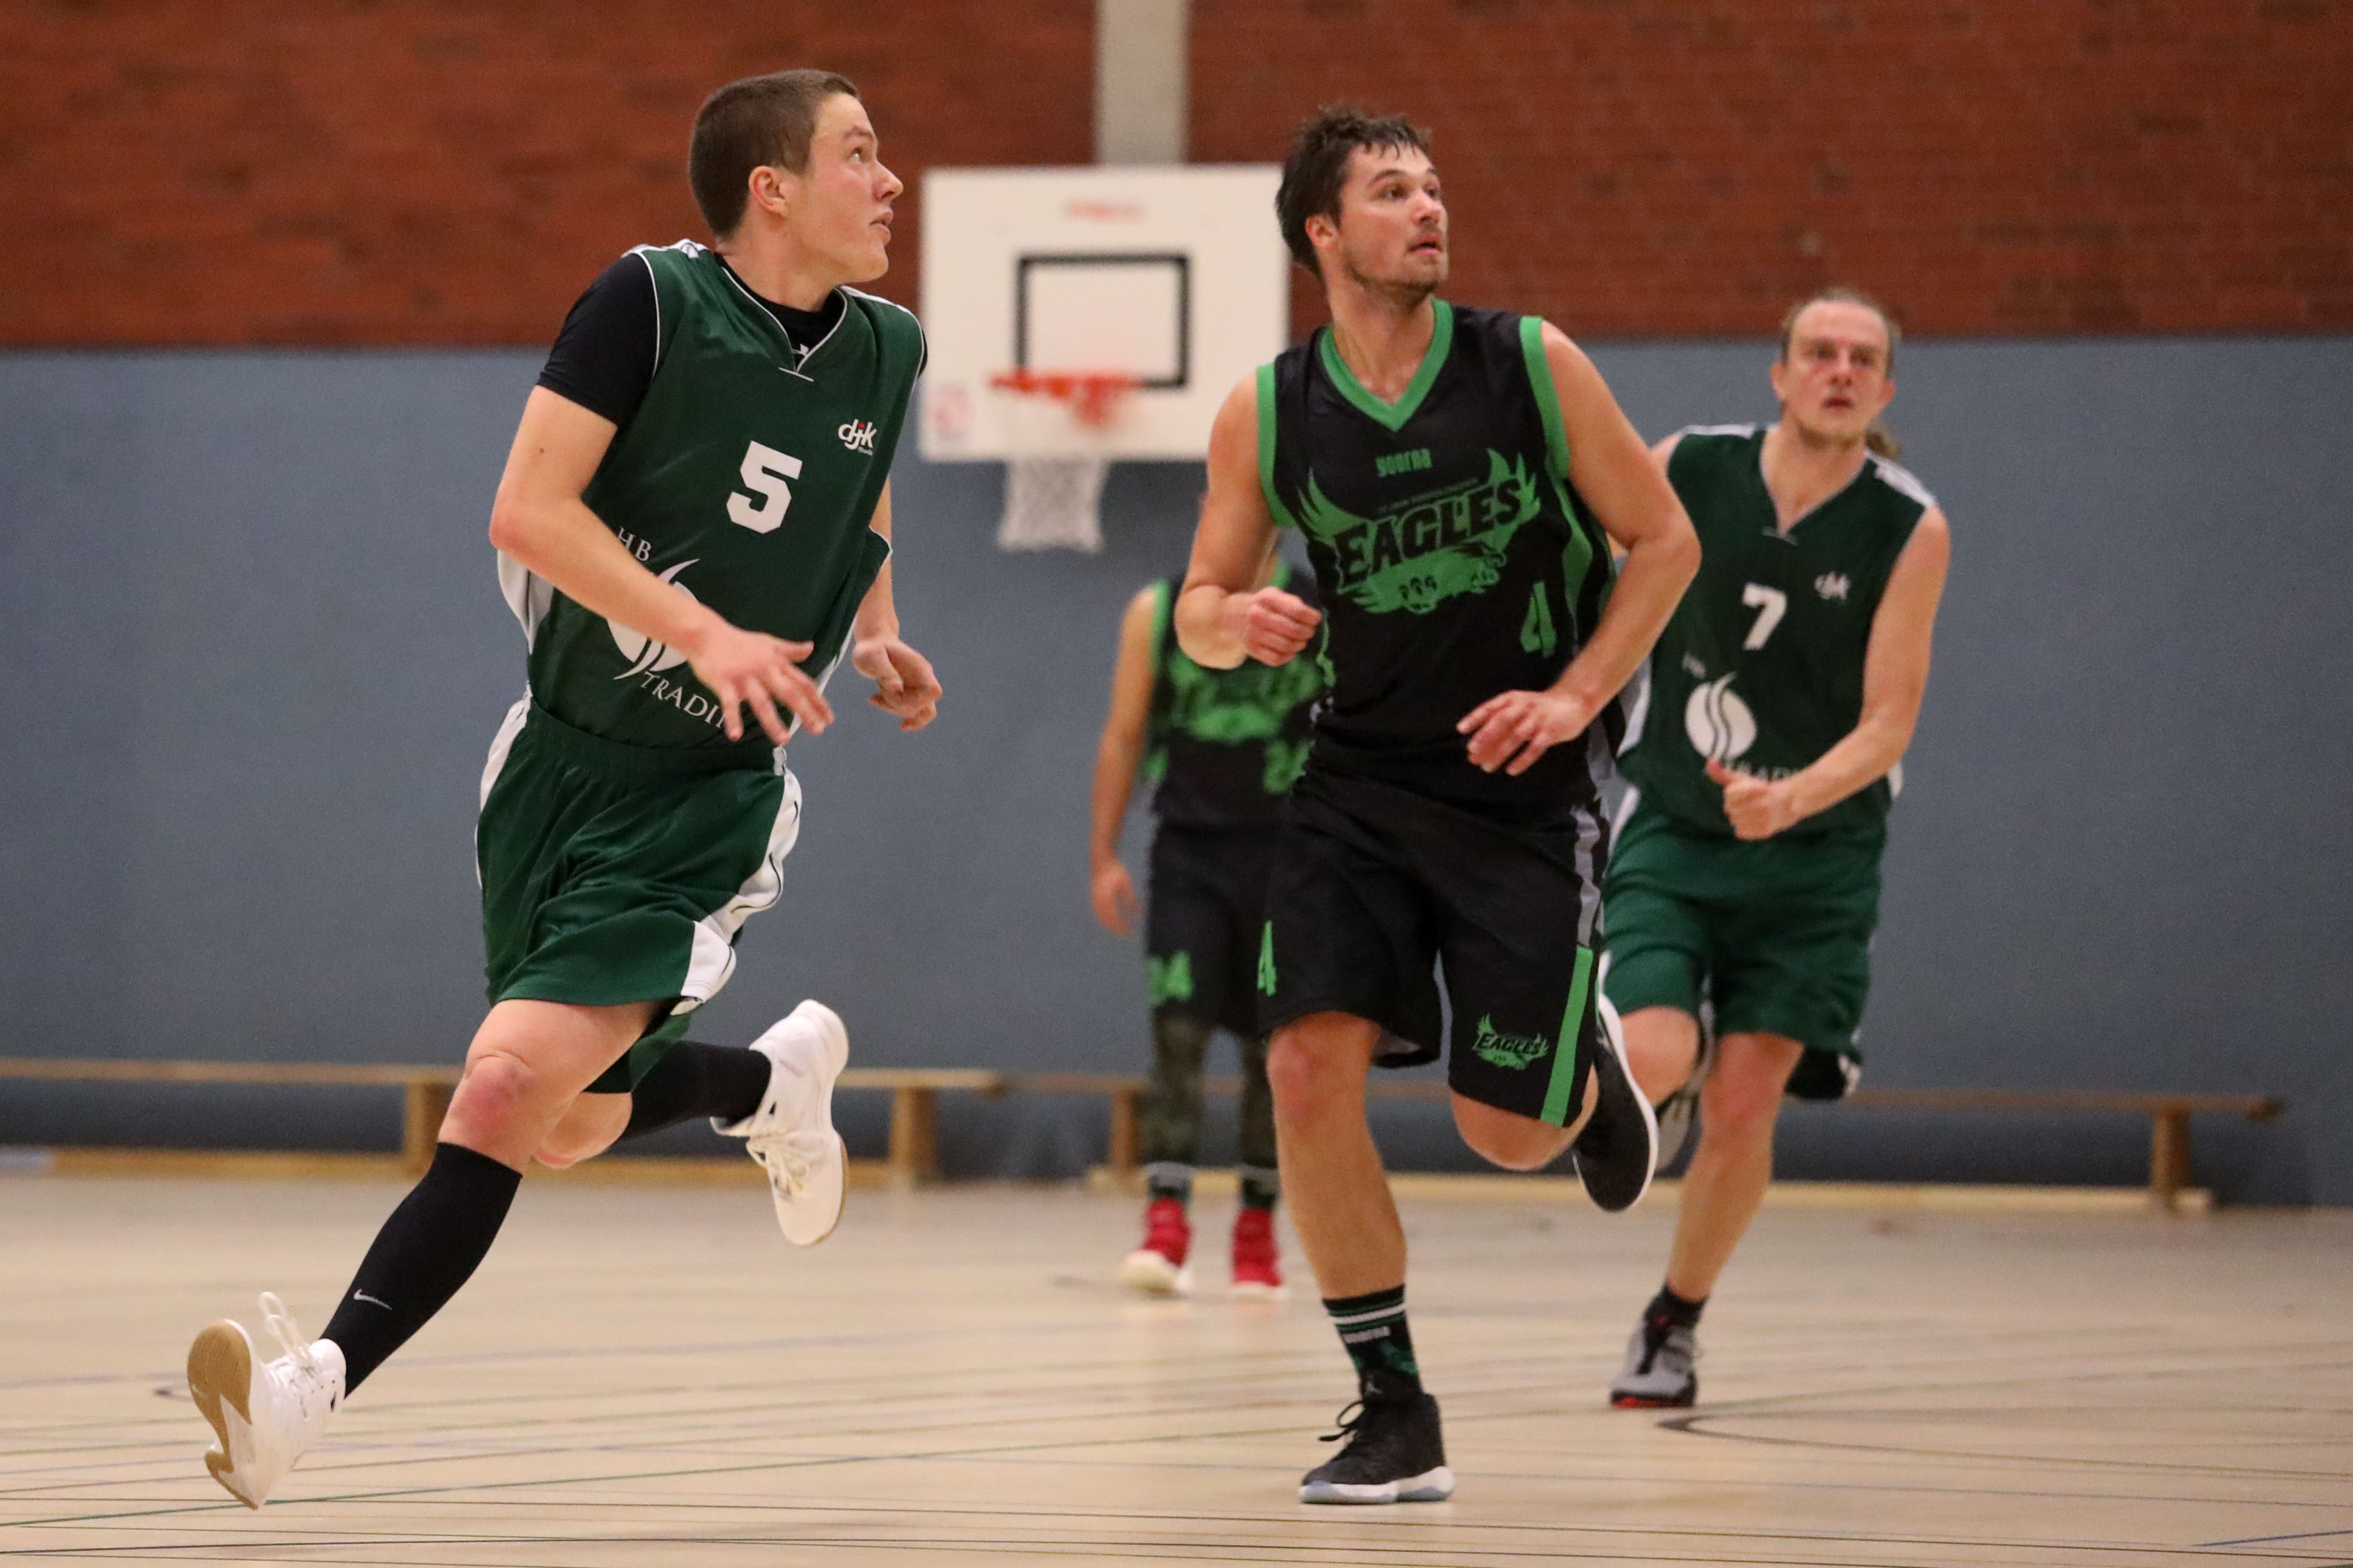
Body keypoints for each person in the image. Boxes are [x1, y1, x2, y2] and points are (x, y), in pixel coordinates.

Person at [183, 70, 942, 1508]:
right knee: (570, 1120)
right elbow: (527, 511)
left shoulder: (888, 349)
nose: (889, 178)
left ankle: (303, 1394)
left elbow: (860, 491)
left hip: (705, 793)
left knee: (503, 1086)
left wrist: (877, 628)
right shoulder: (650, 300)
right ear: (772, 188)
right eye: (859, 153)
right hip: (555, 763)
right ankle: (771, 1083)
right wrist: (703, 628)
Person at [1176, 106, 1700, 1504]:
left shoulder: (1527, 363)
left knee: (1504, 1132)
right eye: (1392, 190)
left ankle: (1589, 1064)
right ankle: (1395, 1407)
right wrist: (1238, 621)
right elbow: (1199, 606)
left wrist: (1580, 694)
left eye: (1434, 188)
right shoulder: (1268, 411)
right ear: (1322, 232)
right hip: (1354, 783)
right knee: (1303, 1068)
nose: (1427, 209)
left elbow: (1665, 538)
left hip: (1524, 787)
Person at [1601, 288, 1952, 1409]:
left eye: (1862, 358)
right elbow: (1598, 587)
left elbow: (1889, 721)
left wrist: (1791, 796)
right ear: (1779, 372)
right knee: (1653, 1051)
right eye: (1819, 351)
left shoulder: (1910, 528)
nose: (1839, 370)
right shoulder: (1688, 465)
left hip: (1816, 850)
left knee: (1747, 1103)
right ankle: (1655, 1090)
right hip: (1675, 819)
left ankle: (1674, 1320)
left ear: (1884, 389)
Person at [1089, 555, 1324, 1296]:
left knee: (1273, 1050)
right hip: (1188, 853)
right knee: (1177, 1035)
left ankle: (1256, 1231)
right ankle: (1165, 1225)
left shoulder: (1319, 608)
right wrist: (1102, 855)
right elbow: (1123, 736)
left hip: (1289, 857)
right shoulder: (1156, 613)